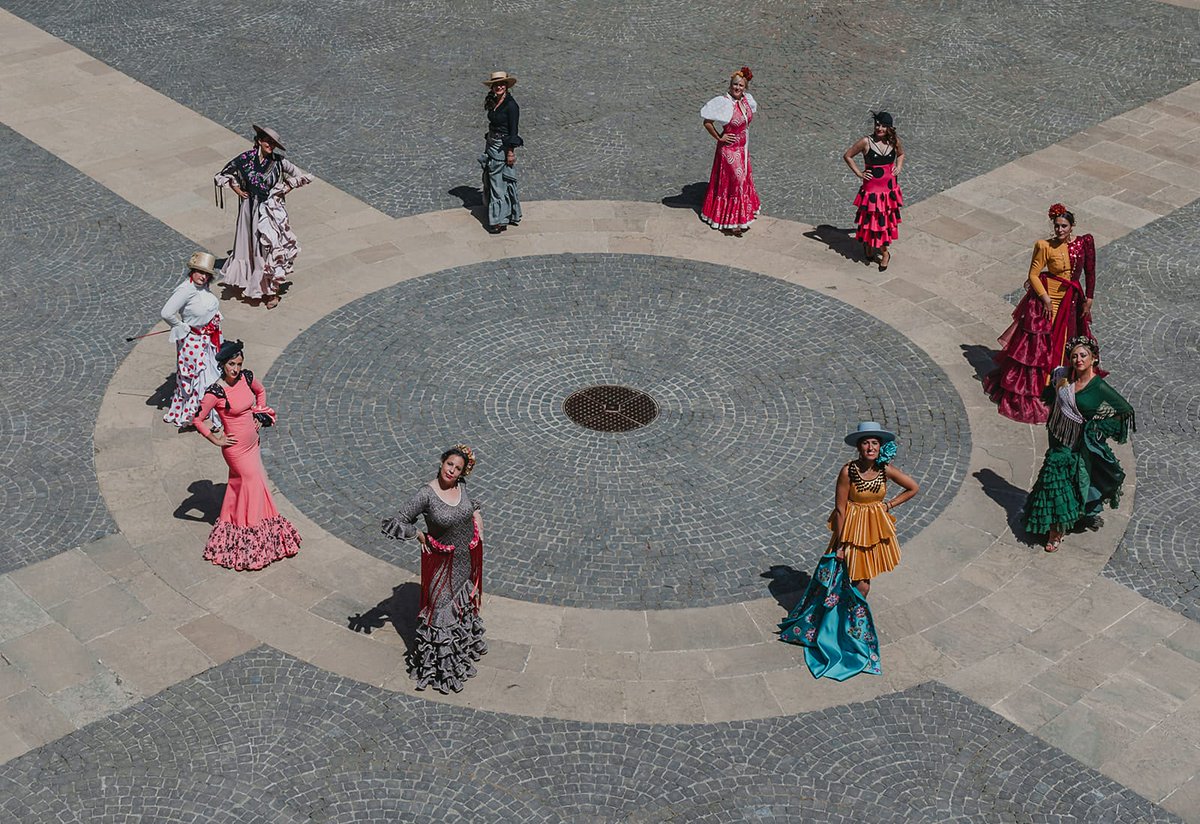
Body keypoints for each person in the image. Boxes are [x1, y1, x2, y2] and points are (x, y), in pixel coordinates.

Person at [779, 422, 919, 680]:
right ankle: (845, 630)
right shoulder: (847, 471)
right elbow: (841, 509)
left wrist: (889, 505)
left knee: (862, 584)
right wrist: (841, 544)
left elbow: (913, 487)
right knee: (856, 584)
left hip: (873, 530)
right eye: (866, 443)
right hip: (851, 533)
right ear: (859, 447)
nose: (870, 447)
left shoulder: (884, 469)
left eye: (875, 443)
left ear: (880, 447)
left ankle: (850, 627)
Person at [382, 446, 487, 693]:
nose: (452, 470)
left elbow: (472, 507)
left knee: (461, 606)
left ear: (463, 473)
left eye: (458, 468)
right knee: (440, 612)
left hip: (466, 558)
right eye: (449, 464)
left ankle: (462, 654)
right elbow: (397, 522)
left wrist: (479, 525)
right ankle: (442, 670)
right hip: (442, 562)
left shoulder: (461, 487)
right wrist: (419, 535)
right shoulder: (426, 495)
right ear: (442, 462)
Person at [984, 203, 1099, 424]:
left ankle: (1065, 382)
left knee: (1067, 340)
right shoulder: (1044, 246)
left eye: (1064, 226)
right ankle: (1044, 385)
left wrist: (1090, 297)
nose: (1059, 230)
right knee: (1043, 345)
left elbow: (1090, 271)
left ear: (1072, 226)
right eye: (1056, 226)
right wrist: (1045, 299)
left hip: (1072, 300)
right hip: (1049, 299)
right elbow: (1034, 274)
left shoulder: (1084, 243)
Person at [193, 340, 300, 570]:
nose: (236, 369)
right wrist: (216, 439)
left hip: (253, 444)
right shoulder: (216, 391)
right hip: (236, 450)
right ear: (222, 364)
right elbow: (197, 419)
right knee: (252, 483)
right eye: (231, 364)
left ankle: (241, 530)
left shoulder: (247, 378)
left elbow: (261, 392)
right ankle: (248, 543)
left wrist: (259, 413)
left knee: (242, 487)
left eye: (239, 364)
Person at [1024, 337, 1134, 553]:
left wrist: (1096, 426)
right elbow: (1053, 397)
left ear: (1093, 359)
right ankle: (1058, 520)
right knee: (1060, 482)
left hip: (1075, 444)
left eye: (1083, 355)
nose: (1078, 359)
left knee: (1057, 480)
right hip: (1057, 438)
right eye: (1074, 355)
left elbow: (1124, 410)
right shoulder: (1064, 378)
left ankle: (1056, 531)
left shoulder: (1099, 387)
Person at [214, 125, 312, 309]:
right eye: (268, 141)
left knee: (269, 247)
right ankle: (252, 284)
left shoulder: (279, 161)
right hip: (249, 209)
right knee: (250, 245)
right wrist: (238, 190)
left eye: (273, 143)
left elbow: (299, 175)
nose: (271, 145)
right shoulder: (245, 159)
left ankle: (271, 292)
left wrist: (285, 189)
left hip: (270, 211)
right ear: (259, 140)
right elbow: (226, 173)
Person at [160, 251, 222, 429]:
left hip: (207, 338)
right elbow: (166, 313)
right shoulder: (186, 290)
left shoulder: (201, 287)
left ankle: (205, 410)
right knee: (195, 377)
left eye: (206, 274)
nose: (203, 276)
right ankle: (193, 413)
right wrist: (181, 326)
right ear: (192, 271)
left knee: (208, 375)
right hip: (192, 341)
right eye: (199, 272)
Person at [700, 66, 760, 235]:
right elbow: (707, 122)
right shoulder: (724, 103)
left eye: (741, 85)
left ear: (745, 88)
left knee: (741, 181)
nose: (737, 88)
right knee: (739, 181)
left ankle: (740, 216)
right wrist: (720, 137)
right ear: (730, 85)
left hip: (743, 149)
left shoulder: (747, 100)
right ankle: (734, 221)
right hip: (729, 150)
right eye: (735, 85)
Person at [843, 111, 905, 270]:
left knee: (884, 223)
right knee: (870, 222)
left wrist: (898, 167)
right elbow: (848, 155)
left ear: (889, 128)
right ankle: (869, 246)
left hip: (888, 190)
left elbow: (901, 154)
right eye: (877, 124)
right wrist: (859, 173)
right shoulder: (866, 142)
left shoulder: (894, 141)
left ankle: (884, 253)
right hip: (872, 190)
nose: (879, 128)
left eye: (883, 125)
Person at [479, 72, 523, 235]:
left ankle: (498, 220)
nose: (499, 87)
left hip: (502, 147)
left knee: (498, 182)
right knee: (493, 180)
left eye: (502, 84)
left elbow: (513, 131)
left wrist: (510, 152)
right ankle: (506, 213)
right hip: (491, 143)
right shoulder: (493, 100)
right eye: (496, 84)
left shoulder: (511, 106)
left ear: (507, 86)